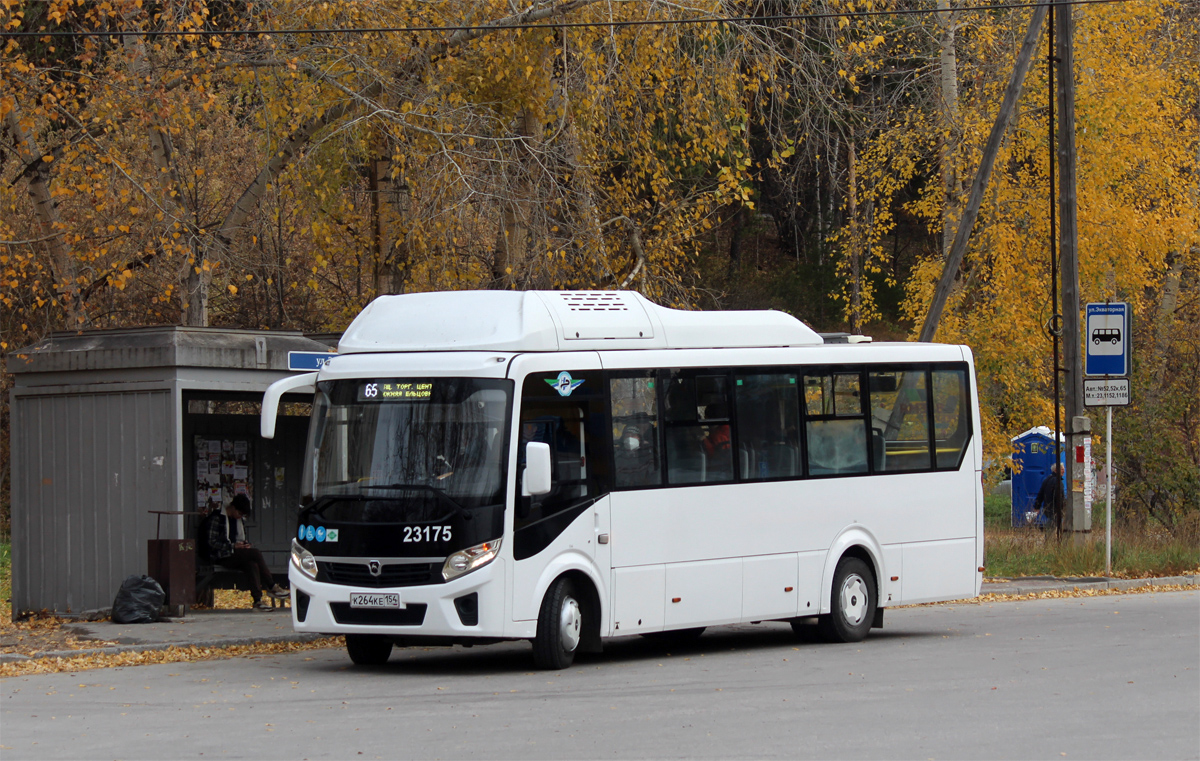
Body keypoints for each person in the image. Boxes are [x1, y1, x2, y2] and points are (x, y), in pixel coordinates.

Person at [208, 494, 287, 610]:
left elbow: (238, 539)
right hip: (222, 555)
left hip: (234, 554)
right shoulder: (217, 518)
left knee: (252, 564)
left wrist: (243, 545)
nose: (240, 517)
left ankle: (258, 601)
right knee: (255, 553)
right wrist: (233, 546)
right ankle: (271, 585)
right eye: (239, 514)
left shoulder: (237, 521)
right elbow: (211, 543)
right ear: (233, 508)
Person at [1031, 463, 1064, 532]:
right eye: (1062, 469)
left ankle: (1051, 540)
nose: (1064, 471)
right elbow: (1059, 497)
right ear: (1056, 470)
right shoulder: (1058, 482)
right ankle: (1050, 540)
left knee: (1052, 525)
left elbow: (1040, 494)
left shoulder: (1047, 479)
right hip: (1055, 509)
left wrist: (1037, 507)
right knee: (1052, 526)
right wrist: (1061, 508)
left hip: (1047, 508)